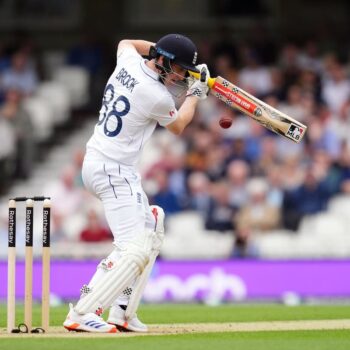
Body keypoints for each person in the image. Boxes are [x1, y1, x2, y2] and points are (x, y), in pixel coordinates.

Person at [63, 34, 210, 333]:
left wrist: (157, 50)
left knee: (153, 225)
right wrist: (196, 93)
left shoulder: (128, 62)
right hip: (114, 170)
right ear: (164, 61)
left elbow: (126, 42)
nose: (181, 75)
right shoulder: (155, 95)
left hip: (102, 162)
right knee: (132, 248)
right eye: (179, 68)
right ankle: (83, 311)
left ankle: (123, 312)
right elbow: (179, 126)